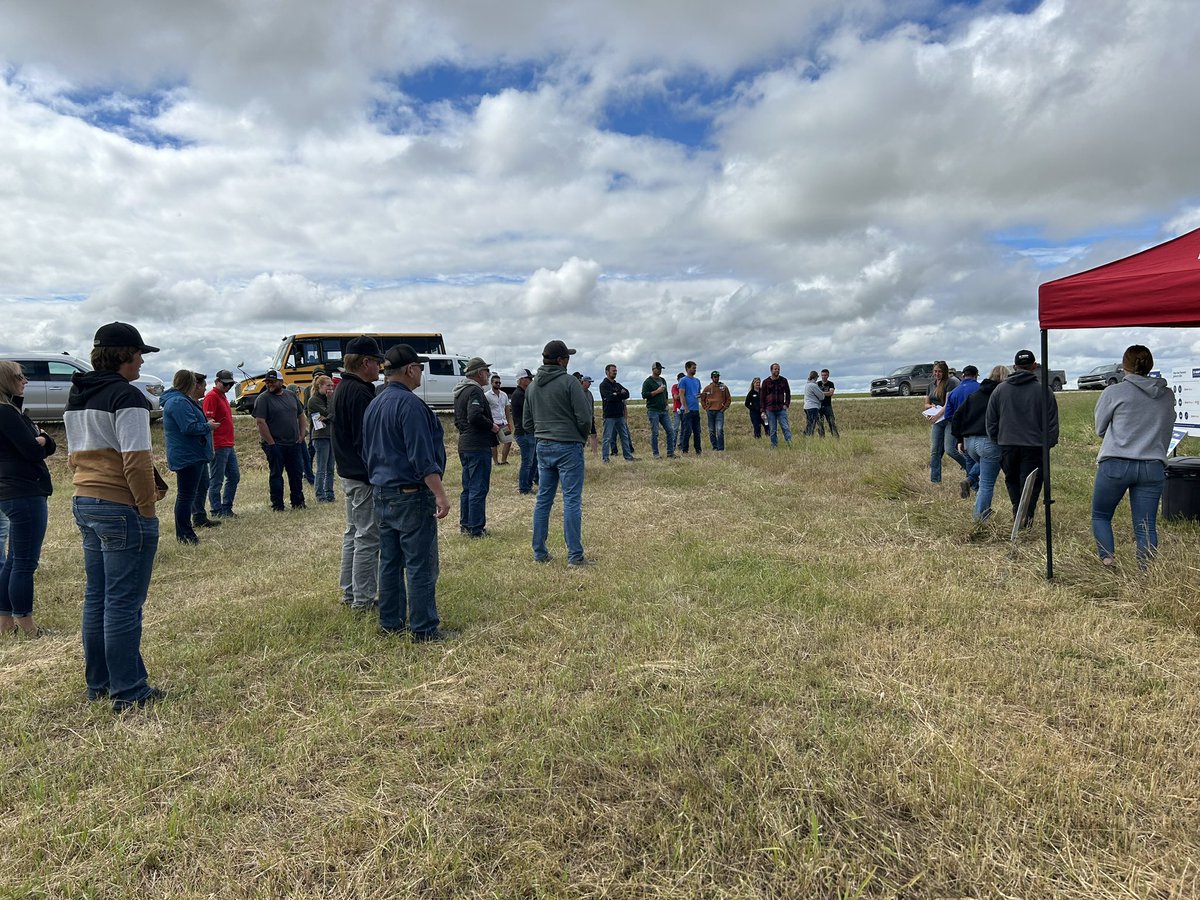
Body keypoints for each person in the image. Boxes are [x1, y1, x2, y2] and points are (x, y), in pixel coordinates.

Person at [65, 321, 167, 712]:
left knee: (97, 597)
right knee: (124, 602)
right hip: (120, 505)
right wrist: (147, 508)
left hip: (84, 498)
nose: (142, 361)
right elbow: (137, 461)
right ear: (124, 355)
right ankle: (129, 690)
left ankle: (101, 683)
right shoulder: (128, 398)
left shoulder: (78, 395)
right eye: (139, 353)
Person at [362, 345, 454, 641]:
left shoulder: (375, 404)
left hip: (382, 491)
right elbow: (421, 456)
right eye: (421, 369)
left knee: (389, 561)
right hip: (411, 493)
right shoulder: (411, 405)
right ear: (411, 370)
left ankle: (390, 622)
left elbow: (367, 451)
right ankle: (424, 628)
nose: (421, 375)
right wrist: (439, 493)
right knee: (420, 564)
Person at [1091, 345, 1175, 569]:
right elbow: (1168, 429)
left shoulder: (1114, 392)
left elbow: (1100, 428)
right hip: (1152, 465)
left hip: (1116, 463)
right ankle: (1146, 571)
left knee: (1101, 515)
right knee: (1146, 524)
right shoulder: (1166, 394)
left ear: (1123, 365)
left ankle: (1107, 559)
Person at [0, 361, 56, 637]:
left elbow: (44, 443)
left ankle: (6, 622)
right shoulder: (8, 413)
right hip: (24, 491)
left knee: (13, 561)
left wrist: (43, 439)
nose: (25, 381)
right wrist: (42, 439)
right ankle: (27, 625)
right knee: (24, 562)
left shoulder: (11, 411)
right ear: (6, 381)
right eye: (20, 377)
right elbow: (33, 450)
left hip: (11, 491)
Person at [525, 340, 593, 567]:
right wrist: (579, 437)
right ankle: (574, 556)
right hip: (568, 445)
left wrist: (543, 434)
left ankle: (539, 553)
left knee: (543, 499)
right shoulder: (569, 382)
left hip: (543, 445)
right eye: (568, 358)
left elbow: (526, 423)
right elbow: (585, 417)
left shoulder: (532, 386)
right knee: (571, 500)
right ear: (561, 360)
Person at [331, 336, 385, 611]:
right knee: (367, 535)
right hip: (362, 475)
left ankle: (350, 592)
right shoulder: (361, 392)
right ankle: (363, 599)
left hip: (347, 472)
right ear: (365, 362)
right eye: (377, 362)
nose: (380, 367)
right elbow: (367, 440)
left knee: (353, 532)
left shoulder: (342, 388)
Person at [985, 349, 1060, 527]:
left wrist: (998, 439)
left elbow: (990, 420)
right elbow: (1052, 421)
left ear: (1015, 367)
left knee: (1012, 481)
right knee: (1031, 485)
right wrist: (1048, 444)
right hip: (1034, 446)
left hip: (1007, 444)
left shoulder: (999, 390)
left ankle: (1017, 511)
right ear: (1034, 366)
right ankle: (1025, 517)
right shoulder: (1044, 391)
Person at [161, 370, 217, 544]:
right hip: (187, 456)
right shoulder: (178, 402)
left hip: (193, 454)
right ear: (189, 383)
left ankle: (192, 525)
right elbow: (189, 427)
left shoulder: (182, 400)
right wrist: (208, 426)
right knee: (186, 496)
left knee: (191, 492)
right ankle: (185, 535)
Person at [951, 365, 1007, 523]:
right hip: (988, 441)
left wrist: (959, 439)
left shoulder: (975, 395)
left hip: (970, 443)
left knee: (984, 464)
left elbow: (957, 417)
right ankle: (979, 520)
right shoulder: (1001, 395)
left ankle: (970, 478)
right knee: (987, 484)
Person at [454, 357, 500, 538]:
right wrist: (492, 426)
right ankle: (476, 528)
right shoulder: (475, 391)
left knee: (468, 487)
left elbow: (460, 419)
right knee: (478, 488)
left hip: (464, 443)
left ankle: (465, 525)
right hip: (477, 445)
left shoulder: (460, 391)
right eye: (487, 372)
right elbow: (474, 416)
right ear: (479, 373)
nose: (488, 375)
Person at [254, 370, 308, 511]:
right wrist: (271, 443)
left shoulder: (291, 395)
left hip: (294, 443)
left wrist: (302, 435)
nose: (269, 384)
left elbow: (301, 415)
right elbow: (260, 422)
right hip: (275, 444)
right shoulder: (263, 399)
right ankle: (277, 505)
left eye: (272, 381)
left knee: (296, 474)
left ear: (281, 382)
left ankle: (298, 502)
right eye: (267, 382)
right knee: (276, 475)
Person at [184, 373, 221, 531]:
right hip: (191, 454)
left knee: (203, 484)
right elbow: (189, 427)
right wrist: (208, 426)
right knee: (190, 490)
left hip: (200, 452)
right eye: (204, 385)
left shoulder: (194, 403)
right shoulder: (184, 404)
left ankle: (199, 516)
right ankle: (191, 521)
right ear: (196, 385)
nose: (205, 388)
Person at [202, 369, 240, 518]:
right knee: (216, 480)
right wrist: (211, 446)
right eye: (225, 384)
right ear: (217, 381)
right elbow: (209, 421)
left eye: (230, 384)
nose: (228, 387)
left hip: (228, 444)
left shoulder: (222, 396)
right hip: (218, 444)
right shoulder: (211, 397)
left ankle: (226, 507)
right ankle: (216, 510)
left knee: (234, 476)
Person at [924, 361, 967, 484]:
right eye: (935, 371)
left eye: (940, 371)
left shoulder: (951, 382)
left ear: (945, 372)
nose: (937, 374)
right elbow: (926, 403)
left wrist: (937, 415)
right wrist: (931, 409)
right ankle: (935, 480)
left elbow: (948, 404)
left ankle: (971, 468)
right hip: (937, 420)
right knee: (935, 451)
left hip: (949, 419)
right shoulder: (931, 385)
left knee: (950, 449)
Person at [942, 365, 981, 497]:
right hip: (979, 429)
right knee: (985, 458)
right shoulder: (980, 389)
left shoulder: (954, 393)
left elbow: (948, 415)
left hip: (964, 433)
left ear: (963, 376)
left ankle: (973, 486)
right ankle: (973, 482)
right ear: (976, 375)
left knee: (969, 460)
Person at [306, 374, 336, 502]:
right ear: (320, 386)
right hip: (320, 436)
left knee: (330, 468)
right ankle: (320, 494)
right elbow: (327, 412)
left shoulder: (331, 398)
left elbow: (335, 414)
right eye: (328, 386)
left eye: (332, 386)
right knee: (321, 468)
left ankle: (330, 493)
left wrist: (329, 416)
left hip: (331, 435)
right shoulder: (314, 400)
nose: (331, 388)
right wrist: (330, 404)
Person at [599, 364, 635, 462]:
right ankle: (605, 459)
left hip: (620, 415)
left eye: (616, 371)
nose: (615, 372)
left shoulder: (617, 385)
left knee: (624, 436)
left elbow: (627, 394)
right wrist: (620, 394)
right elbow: (610, 398)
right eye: (613, 370)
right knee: (607, 438)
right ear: (607, 372)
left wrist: (616, 394)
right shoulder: (603, 385)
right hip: (609, 416)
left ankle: (628, 456)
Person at [511, 369, 538, 494]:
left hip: (527, 432)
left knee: (532, 461)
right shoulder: (519, 395)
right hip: (524, 432)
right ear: (522, 380)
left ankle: (528, 484)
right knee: (527, 462)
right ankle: (524, 487)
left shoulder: (523, 393)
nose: (531, 381)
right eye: (528, 379)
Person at [641, 362, 676, 459]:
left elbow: (665, 393)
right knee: (655, 432)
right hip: (653, 410)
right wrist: (657, 391)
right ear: (653, 369)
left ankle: (670, 453)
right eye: (658, 368)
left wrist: (666, 403)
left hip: (663, 410)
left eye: (661, 369)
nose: (660, 370)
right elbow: (644, 395)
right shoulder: (648, 382)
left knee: (670, 430)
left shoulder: (663, 380)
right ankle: (655, 454)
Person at [761, 363, 792, 447]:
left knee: (785, 427)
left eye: (778, 369)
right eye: (775, 369)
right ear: (771, 370)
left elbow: (788, 393)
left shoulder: (783, 380)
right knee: (773, 429)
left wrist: (787, 404)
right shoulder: (766, 382)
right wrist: (763, 411)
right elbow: (762, 397)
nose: (777, 370)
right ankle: (774, 445)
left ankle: (790, 444)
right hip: (770, 409)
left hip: (781, 408)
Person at [700, 370, 732, 450]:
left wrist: (724, 408)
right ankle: (715, 446)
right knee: (711, 430)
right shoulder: (707, 388)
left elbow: (728, 399)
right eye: (715, 377)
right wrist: (706, 408)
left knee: (719, 429)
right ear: (711, 378)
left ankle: (721, 448)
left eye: (717, 376)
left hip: (719, 411)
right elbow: (702, 398)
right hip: (710, 411)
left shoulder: (723, 388)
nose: (716, 378)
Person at [487, 374, 514, 465]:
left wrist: (509, 422)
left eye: (499, 382)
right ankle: (496, 462)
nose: (498, 384)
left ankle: (503, 460)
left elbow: (507, 409)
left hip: (503, 423)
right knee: (493, 444)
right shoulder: (487, 395)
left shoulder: (504, 395)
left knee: (508, 441)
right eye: (496, 382)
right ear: (491, 383)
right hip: (493, 423)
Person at [678, 361, 703, 455]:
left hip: (696, 409)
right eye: (693, 368)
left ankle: (698, 450)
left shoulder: (697, 381)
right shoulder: (683, 380)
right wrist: (686, 408)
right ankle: (685, 450)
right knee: (687, 431)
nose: (695, 370)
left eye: (695, 368)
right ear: (687, 368)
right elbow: (681, 395)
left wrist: (700, 396)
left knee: (697, 431)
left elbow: (696, 393)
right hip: (687, 410)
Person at [578, 374, 599, 457]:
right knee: (580, 436)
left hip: (590, 418)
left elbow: (592, 405)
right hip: (580, 419)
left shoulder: (590, 393)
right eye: (588, 382)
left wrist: (592, 415)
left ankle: (595, 453)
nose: (590, 384)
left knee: (593, 434)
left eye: (590, 382)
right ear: (583, 382)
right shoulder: (578, 392)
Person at [817, 369, 839, 438]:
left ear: (828, 375)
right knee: (820, 423)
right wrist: (825, 393)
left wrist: (820, 393)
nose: (824, 376)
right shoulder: (817, 384)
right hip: (819, 406)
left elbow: (830, 393)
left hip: (827, 406)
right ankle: (822, 438)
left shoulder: (830, 384)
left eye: (825, 375)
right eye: (822, 375)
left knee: (831, 422)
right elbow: (814, 394)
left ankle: (835, 437)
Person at [803, 370, 826, 437]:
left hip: (806, 406)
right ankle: (808, 435)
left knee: (809, 422)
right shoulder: (813, 385)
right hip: (812, 406)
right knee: (812, 423)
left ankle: (807, 435)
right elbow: (821, 396)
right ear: (815, 377)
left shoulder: (807, 385)